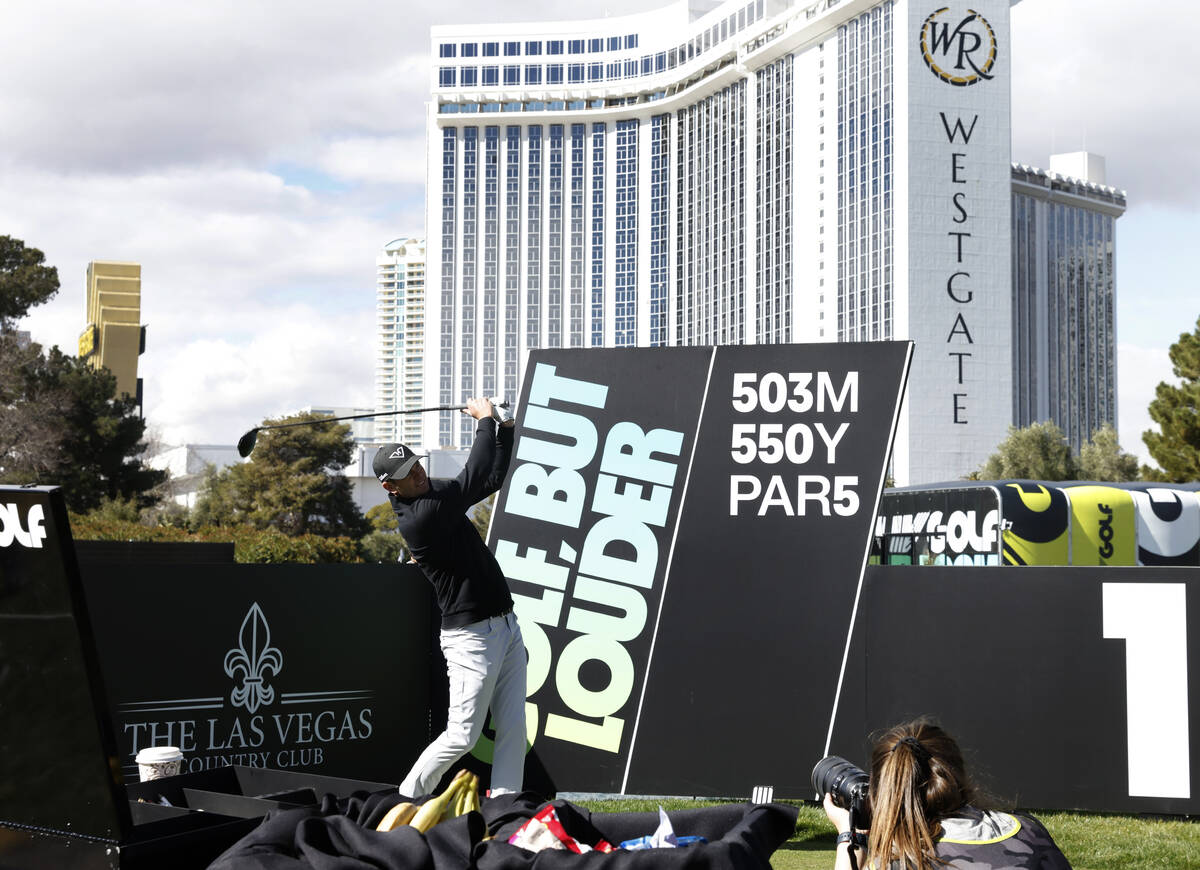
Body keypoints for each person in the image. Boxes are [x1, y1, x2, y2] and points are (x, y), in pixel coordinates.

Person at [373, 397, 526, 798]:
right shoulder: (420, 517)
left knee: (513, 730)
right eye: (408, 473)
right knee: (462, 736)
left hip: (506, 625)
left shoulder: (433, 494)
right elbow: (472, 475)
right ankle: (403, 800)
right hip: (471, 638)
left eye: (417, 464)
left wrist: (505, 432)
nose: (419, 473)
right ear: (390, 486)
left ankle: (507, 810)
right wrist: (484, 421)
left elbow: (488, 481)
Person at [823, 719, 1071, 870]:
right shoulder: (1028, 832)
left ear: (884, 790)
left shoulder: (899, 861)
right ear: (958, 773)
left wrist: (848, 835)